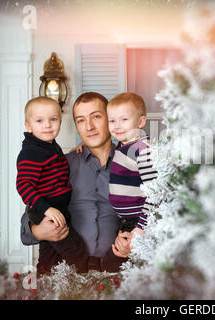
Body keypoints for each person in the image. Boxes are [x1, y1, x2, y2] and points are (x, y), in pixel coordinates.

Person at [20, 92, 132, 273]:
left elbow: (150, 214)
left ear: (110, 119)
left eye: (96, 116)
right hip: (63, 275)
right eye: (81, 120)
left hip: (116, 274)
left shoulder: (131, 165)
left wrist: (134, 239)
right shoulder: (60, 164)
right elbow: (30, 212)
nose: (89, 126)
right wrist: (37, 230)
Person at [16, 97, 88, 274]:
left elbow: (52, 169)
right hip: (46, 210)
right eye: (39, 121)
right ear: (28, 126)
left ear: (60, 122)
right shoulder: (31, 152)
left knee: (50, 256)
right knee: (77, 253)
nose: (47, 125)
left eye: (53, 119)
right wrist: (47, 210)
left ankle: (42, 284)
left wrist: (75, 150)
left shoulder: (49, 147)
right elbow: (23, 186)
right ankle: (86, 288)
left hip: (57, 208)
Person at [106, 92, 158, 239]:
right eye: (112, 121)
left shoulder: (142, 149)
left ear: (141, 122)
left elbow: (155, 192)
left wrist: (141, 227)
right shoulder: (124, 145)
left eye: (124, 119)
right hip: (126, 220)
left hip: (141, 222)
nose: (117, 126)